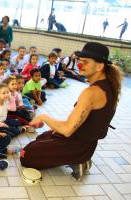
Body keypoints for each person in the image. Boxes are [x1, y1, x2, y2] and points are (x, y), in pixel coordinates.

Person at [20, 42, 122, 181]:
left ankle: (76, 160)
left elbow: (67, 129)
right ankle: (78, 158)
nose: (79, 65)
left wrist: (43, 117)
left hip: (77, 145)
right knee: (41, 138)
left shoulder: (91, 92)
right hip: (86, 143)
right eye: (79, 61)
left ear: (99, 66)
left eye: (85, 62)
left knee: (26, 155)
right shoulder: (109, 86)